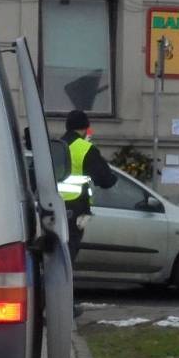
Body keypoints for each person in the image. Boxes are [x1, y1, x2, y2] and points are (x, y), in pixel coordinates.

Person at [58, 109, 117, 264]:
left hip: (52, 207)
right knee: (69, 253)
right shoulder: (85, 148)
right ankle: (62, 287)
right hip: (75, 208)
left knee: (55, 255)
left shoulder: (56, 146)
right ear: (85, 128)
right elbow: (106, 180)